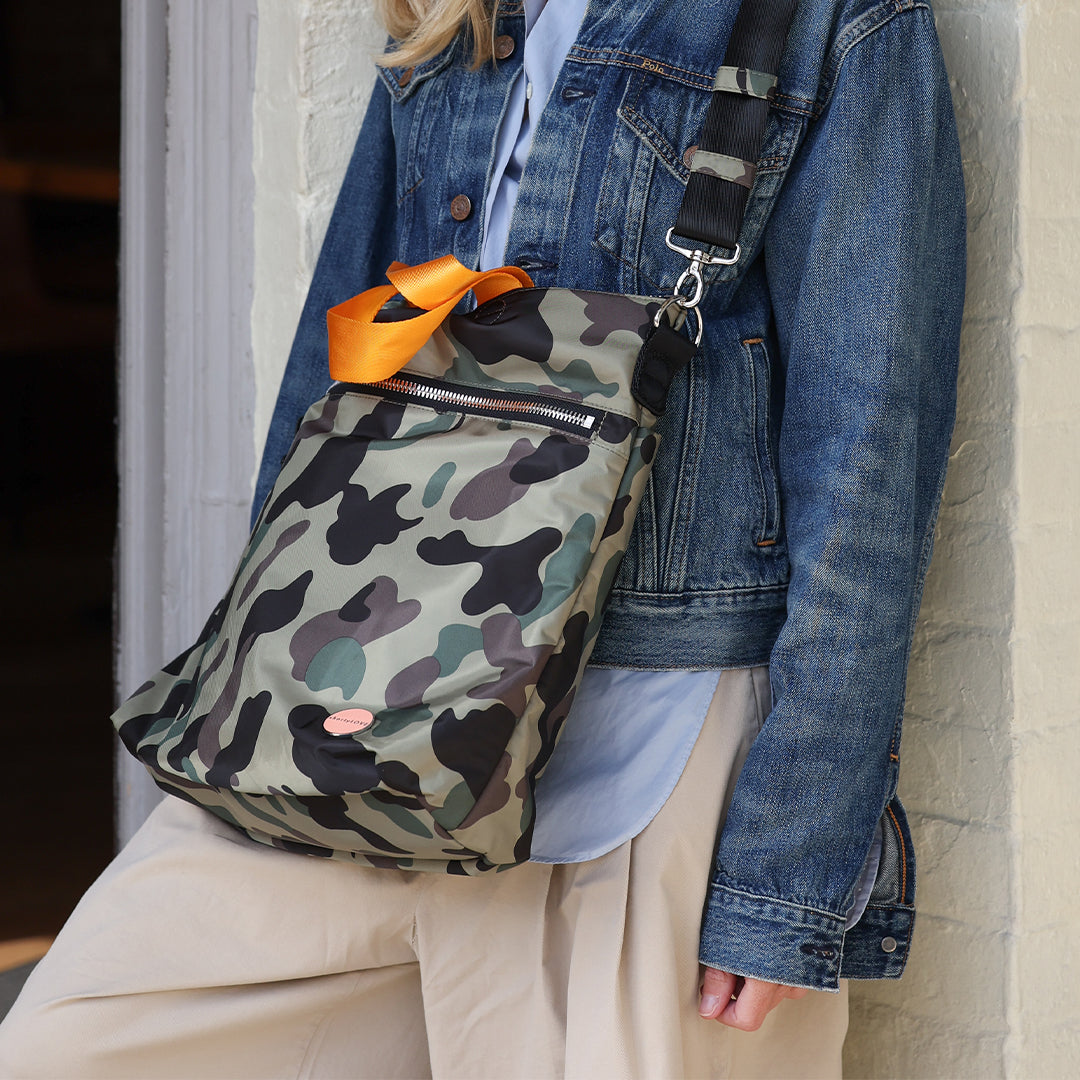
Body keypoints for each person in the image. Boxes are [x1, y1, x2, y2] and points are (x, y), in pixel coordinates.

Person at [0, 0, 965, 1076]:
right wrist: (250, 689)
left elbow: (868, 459)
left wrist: (786, 874)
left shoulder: (836, 23)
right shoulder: (454, 13)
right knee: (71, 1044)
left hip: (641, 751)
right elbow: (341, 376)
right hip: (370, 728)